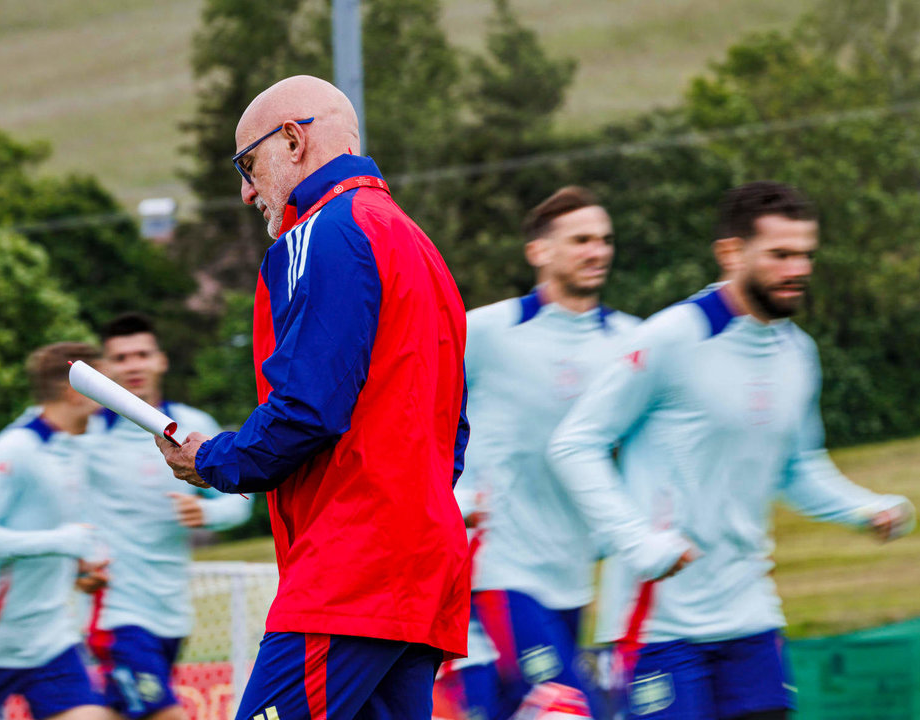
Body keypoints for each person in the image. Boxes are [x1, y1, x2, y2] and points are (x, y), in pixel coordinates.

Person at [156, 74, 470, 720]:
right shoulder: (417, 244)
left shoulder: (322, 231)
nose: (246, 192)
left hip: (352, 572)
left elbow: (307, 408)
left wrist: (212, 458)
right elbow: (451, 430)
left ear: (293, 141)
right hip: (419, 567)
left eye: (248, 165)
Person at [548, 181, 914, 720]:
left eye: (806, 254)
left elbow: (797, 468)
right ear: (731, 253)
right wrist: (636, 541)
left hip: (751, 616)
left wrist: (865, 508)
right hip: (657, 627)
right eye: (781, 255)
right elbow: (575, 443)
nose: (798, 269)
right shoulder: (672, 337)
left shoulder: (798, 352)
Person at [442, 187, 638, 720]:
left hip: (575, 575)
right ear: (539, 251)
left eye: (604, 240)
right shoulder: (485, 331)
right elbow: (416, 411)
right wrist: (451, 495)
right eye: (580, 240)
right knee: (568, 708)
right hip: (498, 568)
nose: (597, 251)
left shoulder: (632, 343)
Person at [0, 343, 109, 720]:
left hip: (52, 642)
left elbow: (56, 536)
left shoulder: (79, 448)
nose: (112, 393)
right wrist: (63, 541)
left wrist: (81, 569)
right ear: (73, 389)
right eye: (101, 382)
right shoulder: (13, 448)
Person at [84, 312, 251, 720]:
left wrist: (207, 513)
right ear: (105, 369)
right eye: (121, 358)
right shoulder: (83, 434)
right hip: (115, 614)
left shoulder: (196, 427)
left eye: (142, 354)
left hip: (172, 613)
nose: (134, 365)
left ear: (161, 360)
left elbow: (242, 499)